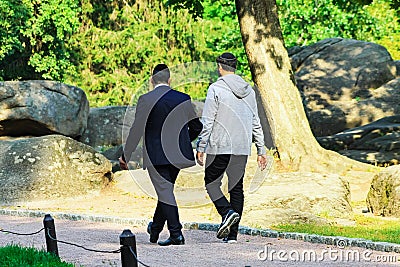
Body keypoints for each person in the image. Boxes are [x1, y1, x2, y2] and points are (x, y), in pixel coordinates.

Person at [119, 63, 202, 246]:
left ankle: (176, 234)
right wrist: (182, 142)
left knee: (165, 191)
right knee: (166, 192)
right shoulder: (183, 98)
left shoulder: (146, 99)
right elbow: (197, 127)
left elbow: (137, 129)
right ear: (169, 80)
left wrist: (126, 155)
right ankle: (155, 228)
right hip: (178, 156)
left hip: (156, 155)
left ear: (152, 80)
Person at [196, 52, 268, 243]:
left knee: (212, 184)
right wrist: (261, 150)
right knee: (236, 189)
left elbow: (208, 121)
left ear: (220, 66)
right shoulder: (249, 91)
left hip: (219, 147)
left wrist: (201, 146)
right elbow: (255, 121)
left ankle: (227, 212)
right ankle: (233, 235)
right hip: (241, 148)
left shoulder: (215, 88)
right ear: (234, 67)